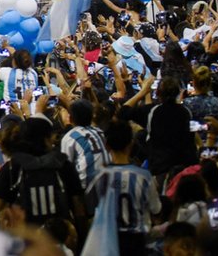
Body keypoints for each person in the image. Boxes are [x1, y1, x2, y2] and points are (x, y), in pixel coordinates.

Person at [86, 121, 161, 256]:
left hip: (108, 240)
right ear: (131, 144)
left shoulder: (99, 176)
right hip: (136, 241)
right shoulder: (143, 176)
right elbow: (156, 208)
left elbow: (90, 208)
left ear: (106, 145)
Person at [60, 99, 111, 190]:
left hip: (87, 188)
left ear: (70, 118)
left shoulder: (69, 137)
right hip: (108, 182)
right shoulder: (99, 132)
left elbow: (67, 169)